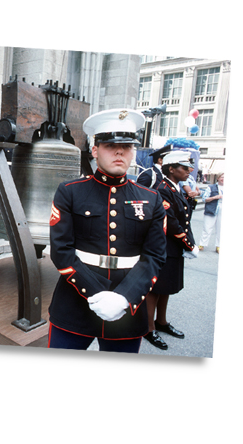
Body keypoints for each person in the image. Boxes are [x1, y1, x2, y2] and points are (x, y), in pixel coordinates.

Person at [48, 109, 167, 354]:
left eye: (127, 146)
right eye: (110, 145)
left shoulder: (151, 198)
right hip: (75, 302)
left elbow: (154, 257)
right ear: (95, 150)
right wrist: (97, 293)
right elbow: (61, 251)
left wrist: (124, 298)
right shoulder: (70, 192)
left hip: (128, 309)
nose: (120, 152)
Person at [145, 150, 199, 350]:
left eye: (189, 168)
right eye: (184, 168)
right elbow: (171, 222)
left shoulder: (174, 187)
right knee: (156, 289)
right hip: (164, 245)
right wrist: (188, 243)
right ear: (171, 169)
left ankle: (162, 322)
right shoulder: (163, 188)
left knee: (166, 288)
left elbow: (183, 215)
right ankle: (149, 329)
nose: (189, 171)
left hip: (173, 247)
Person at [199, 173, 224, 253]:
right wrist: (215, 197)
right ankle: (202, 244)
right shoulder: (211, 187)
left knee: (221, 228)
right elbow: (204, 199)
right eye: (222, 177)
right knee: (207, 227)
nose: (223, 179)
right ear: (218, 178)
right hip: (212, 208)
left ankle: (219, 246)